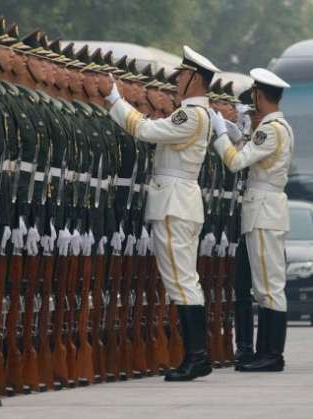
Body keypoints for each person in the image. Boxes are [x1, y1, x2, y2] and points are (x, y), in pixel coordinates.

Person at [100, 45, 219, 382]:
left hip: (173, 204)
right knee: (186, 281)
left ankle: (196, 357)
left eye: (182, 74)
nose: (177, 79)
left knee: (181, 282)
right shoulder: (199, 114)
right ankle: (197, 356)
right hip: (181, 201)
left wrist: (115, 100)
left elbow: (147, 131)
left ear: (194, 79)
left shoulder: (191, 115)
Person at [210, 68, 292, 372]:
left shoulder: (270, 129)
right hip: (266, 210)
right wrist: (237, 134)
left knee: (269, 287)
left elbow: (235, 162)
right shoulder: (277, 127)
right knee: (268, 285)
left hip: (263, 212)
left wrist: (220, 134)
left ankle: (271, 354)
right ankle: (266, 352)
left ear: (259, 95)